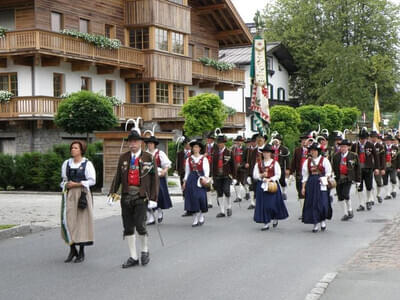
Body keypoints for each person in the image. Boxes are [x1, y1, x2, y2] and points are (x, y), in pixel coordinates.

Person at [109, 130, 159, 268]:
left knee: (140, 226)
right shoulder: (123, 157)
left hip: (141, 196)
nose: (132, 144)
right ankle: (133, 256)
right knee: (128, 227)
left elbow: (155, 179)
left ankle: (144, 250)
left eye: (135, 141)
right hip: (126, 196)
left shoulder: (149, 158)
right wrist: (112, 194)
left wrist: (154, 197)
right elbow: (117, 177)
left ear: (141, 143)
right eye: (130, 142)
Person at [61, 140, 96, 263]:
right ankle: (72, 249)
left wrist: (77, 184)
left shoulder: (87, 164)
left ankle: (81, 251)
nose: (72, 150)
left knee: (82, 222)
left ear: (81, 150)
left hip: (82, 194)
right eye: (72, 148)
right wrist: (66, 185)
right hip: (70, 195)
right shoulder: (67, 164)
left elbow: (92, 181)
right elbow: (63, 180)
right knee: (69, 220)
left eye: (75, 148)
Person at [253, 144, 289, 231]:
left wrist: (270, 179)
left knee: (272, 204)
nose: (266, 154)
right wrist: (261, 176)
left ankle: (275, 217)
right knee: (263, 205)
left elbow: (278, 175)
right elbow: (255, 175)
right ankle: (266, 222)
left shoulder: (275, 163)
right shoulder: (258, 164)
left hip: (272, 185)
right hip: (262, 186)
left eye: (267, 152)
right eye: (264, 152)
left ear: (270, 153)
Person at [301, 142, 333, 232]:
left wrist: (325, 178)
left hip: (321, 184)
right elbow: (305, 176)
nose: (313, 152)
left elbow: (329, 172)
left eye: (315, 150)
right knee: (312, 204)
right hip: (311, 184)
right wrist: (303, 187)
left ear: (318, 151)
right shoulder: (307, 162)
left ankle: (323, 220)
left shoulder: (324, 160)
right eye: (311, 150)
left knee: (322, 203)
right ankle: (315, 223)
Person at [145, 135, 172, 224]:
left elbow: (167, 164)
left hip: (159, 177)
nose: (149, 145)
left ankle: (160, 211)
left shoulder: (160, 153)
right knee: (148, 196)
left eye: (151, 144)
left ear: (154, 144)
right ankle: (151, 217)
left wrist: (164, 171)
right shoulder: (145, 154)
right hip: (148, 178)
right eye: (148, 143)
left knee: (159, 194)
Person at [182, 139, 210, 227]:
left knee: (200, 197)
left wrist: (205, 179)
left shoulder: (204, 159)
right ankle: (195, 218)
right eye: (194, 147)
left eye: (197, 147)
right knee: (193, 198)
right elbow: (187, 172)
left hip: (201, 179)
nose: (195, 149)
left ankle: (201, 214)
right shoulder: (189, 159)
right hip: (191, 179)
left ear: (200, 148)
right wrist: (184, 182)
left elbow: (207, 171)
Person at [351, 129, 379, 211]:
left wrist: (376, 168)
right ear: (359, 138)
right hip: (358, 170)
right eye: (361, 138)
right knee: (359, 187)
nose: (362, 140)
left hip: (368, 168)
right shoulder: (355, 146)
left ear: (366, 138)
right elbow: (351, 158)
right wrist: (351, 169)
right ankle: (361, 204)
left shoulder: (370, 145)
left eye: (364, 138)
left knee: (369, 186)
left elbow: (375, 157)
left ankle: (368, 201)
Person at [332, 139, 360, 221]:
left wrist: (358, 180)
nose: (343, 148)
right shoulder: (336, 156)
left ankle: (350, 209)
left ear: (348, 147)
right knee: (340, 196)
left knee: (345, 193)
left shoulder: (353, 155)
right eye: (341, 147)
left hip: (348, 178)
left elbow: (357, 168)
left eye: (344, 147)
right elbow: (333, 167)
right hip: (338, 177)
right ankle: (345, 213)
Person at [212, 135, 234, 217]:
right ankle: (222, 211)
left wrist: (234, 177)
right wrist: (212, 176)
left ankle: (229, 206)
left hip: (226, 176)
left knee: (226, 191)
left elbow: (233, 165)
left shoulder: (229, 152)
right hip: (217, 176)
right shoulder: (215, 153)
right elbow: (213, 166)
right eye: (218, 143)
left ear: (224, 143)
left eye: (221, 143)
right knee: (219, 193)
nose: (220, 144)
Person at [290, 133, 309, 219]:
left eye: (306, 140)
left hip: (309, 175)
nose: (304, 142)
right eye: (303, 140)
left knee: (309, 193)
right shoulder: (297, 150)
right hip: (299, 174)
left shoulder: (312, 150)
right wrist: (291, 173)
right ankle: (303, 212)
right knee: (300, 193)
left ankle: (309, 210)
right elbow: (293, 162)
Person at [176, 137, 193, 217]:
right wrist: (177, 171)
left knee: (192, 191)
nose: (187, 145)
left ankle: (193, 208)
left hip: (191, 174)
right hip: (183, 174)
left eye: (188, 144)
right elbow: (178, 163)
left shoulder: (193, 153)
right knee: (184, 191)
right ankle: (187, 209)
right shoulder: (180, 153)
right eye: (186, 144)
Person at [271, 134, 290, 200]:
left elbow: (287, 160)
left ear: (280, 141)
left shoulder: (284, 149)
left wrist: (287, 168)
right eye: (275, 140)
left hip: (281, 167)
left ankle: (284, 192)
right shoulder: (271, 148)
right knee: (273, 180)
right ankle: (274, 193)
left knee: (282, 180)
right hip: (272, 167)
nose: (276, 142)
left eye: (278, 140)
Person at [370, 131, 385, 203]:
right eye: (372, 137)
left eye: (375, 137)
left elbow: (383, 159)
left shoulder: (380, 146)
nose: (374, 139)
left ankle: (378, 195)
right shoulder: (368, 146)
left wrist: (383, 168)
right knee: (370, 183)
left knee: (379, 182)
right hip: (369, 167)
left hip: (378, 166)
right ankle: (371, 198)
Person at [382, 135, 399, 200]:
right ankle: (387, 194)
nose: (388, 142)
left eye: (389, 140)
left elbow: (398, 158)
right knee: (385, 181)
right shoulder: (383, 148)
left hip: (393, 166)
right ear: (385, 141)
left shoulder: (395, 148)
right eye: (387, 140)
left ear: (391, 141)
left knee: (393, 179)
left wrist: (398, 167)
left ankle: (394, 190)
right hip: (384, 166)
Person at [246, 134, 259, 209]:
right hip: (250, 172)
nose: (253, 143)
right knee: (251, 187)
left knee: (258, 188)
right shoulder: (247, 150)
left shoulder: (259, 150)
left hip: (258, 172)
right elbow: (243, 160)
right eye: (252, 142)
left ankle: (258, 202)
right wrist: (245, 164)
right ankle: (252, 202)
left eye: (254, 142)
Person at [205, 132, 218, 208]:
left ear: (213, 140)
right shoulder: (204, 147)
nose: (208, 140)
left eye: (210, 139)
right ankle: (209, 202)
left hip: (215, 167)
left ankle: (219, 197)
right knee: (207, 185)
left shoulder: (216, 146)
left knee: (216, 185)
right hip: (207, 167)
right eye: (208, 139)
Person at [232, 135, 246, 203]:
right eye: (237, 141)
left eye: (240, 141)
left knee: (243, 182)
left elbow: (247, 159)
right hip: (235, 168)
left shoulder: (245, 149)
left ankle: (247, 192)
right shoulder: (233, 149)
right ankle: (238, 197)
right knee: (236, 182)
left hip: (243, 168)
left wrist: (242, 165)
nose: (238, 142)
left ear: (242, 142)